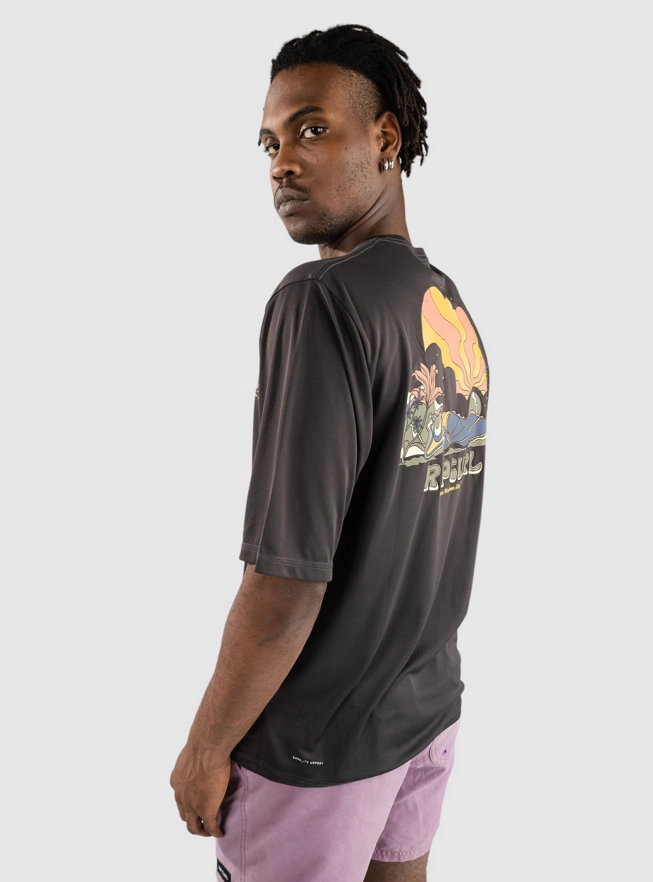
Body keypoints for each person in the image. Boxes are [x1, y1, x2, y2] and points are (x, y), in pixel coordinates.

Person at [170, 23, 490, 882]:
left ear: (386, 138)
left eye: (312, 129)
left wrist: (206, 746)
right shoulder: (442, 304)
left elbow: (288, 578)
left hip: (317, 750)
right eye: (269, 143)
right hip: (423, 714)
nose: (282, 163)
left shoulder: (319, 301)